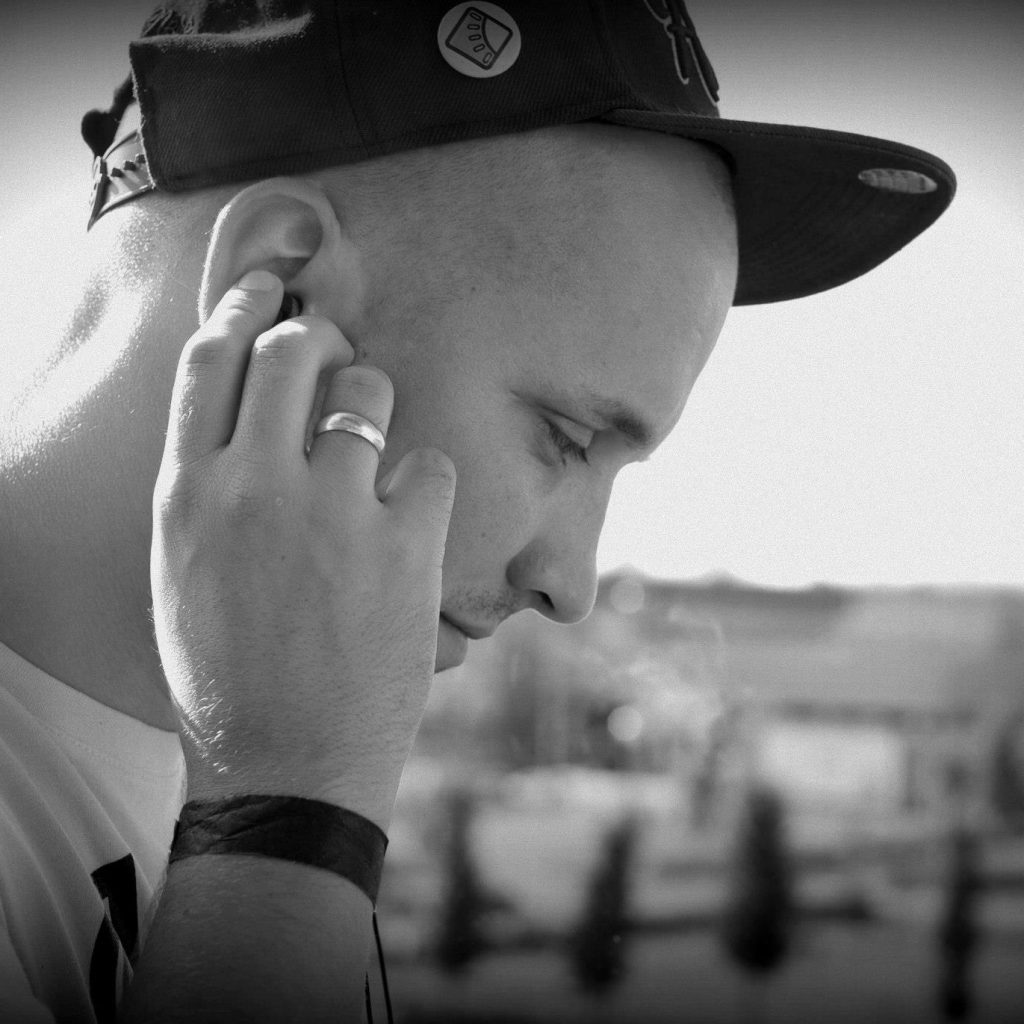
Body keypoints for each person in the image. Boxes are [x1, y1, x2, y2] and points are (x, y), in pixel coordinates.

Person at [0, 1, 955, 1021]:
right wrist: (289, 815)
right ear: (279, 284)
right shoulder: (284, 790)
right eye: (568, 438)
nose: (570, 585)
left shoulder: (242, 771)